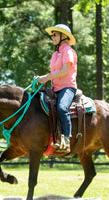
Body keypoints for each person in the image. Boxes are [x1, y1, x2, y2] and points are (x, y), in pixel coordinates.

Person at [36, 24, 77, 152]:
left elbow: (65, 71)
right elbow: (53, 73)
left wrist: (47, 77)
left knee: (62, 107)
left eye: (55, 34)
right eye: (52, 34)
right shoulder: (55, 54)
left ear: (63, 36)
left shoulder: (68, 51)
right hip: (55, 88)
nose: (52, 37)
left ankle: (66, 141)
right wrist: (41, 77)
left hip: (67, 87)